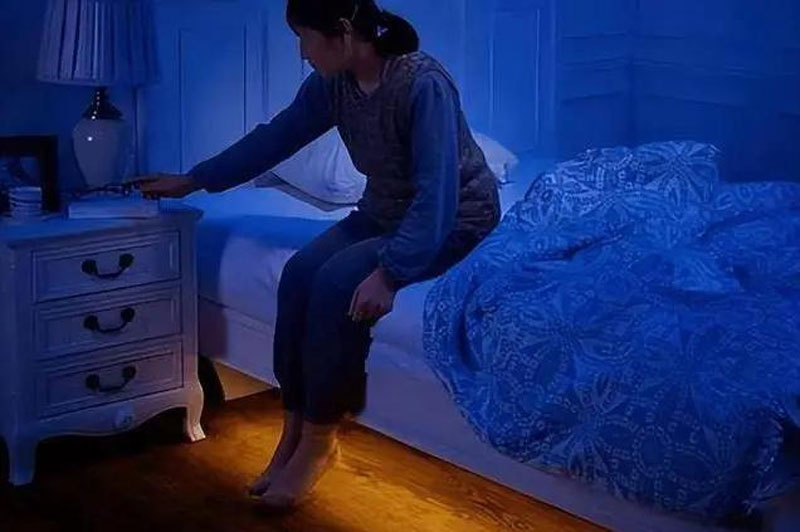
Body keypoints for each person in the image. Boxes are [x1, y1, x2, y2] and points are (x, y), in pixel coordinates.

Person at [137, 0, 500, 512]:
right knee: (299, 274)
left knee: (335, 285)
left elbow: (437, 193)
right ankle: (293, 431)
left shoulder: (422, 84)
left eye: (305, 38)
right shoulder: (334, 83)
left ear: (344, 32)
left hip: (453, 218)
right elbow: (276, 138)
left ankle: (319, 440)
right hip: (383, 211)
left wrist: (391, 274)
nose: (303, 53)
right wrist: (195, 179)